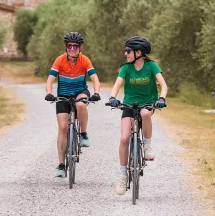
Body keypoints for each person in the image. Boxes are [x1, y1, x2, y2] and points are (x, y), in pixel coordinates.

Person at [107, 36, 168, 195]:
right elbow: (117, 84)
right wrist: (113, 97)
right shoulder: (126, 68)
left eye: (128, 50)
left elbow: (163, 85)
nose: (125, 53)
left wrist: (161, 98)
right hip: (129, 104)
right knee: (124, 138)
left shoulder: (151, 66)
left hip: (147, 103)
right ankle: (122, 175)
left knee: (145, 113)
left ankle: (147, 146)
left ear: (139, 52)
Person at [45, 32, 101, 178]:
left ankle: (83, 134)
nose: (72, 48)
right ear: (66, 46)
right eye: (69, 46)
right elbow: (50, 79)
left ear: (80, 47)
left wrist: (96, 93)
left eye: (75, 46)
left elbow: (94, 78)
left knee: (81, 105)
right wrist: (49, 92)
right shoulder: (59, 60)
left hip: (80, 92)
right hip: (63, 95)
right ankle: (61, 164)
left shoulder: (85, 60)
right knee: (63, 127)